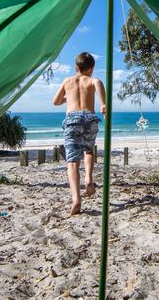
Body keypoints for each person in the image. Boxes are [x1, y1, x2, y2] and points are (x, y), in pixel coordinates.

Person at [52, 52, 106, 215]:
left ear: (76, 67)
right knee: (89, 150)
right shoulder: (94, 80)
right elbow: (103, 104)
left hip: (72, 119)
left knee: (72, 161)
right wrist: (103, 106)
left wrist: (68, 99)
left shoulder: (67, 81)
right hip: (90, 117)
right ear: (91, 68)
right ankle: (89, 178)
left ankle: (76, 199)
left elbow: (55, 102)